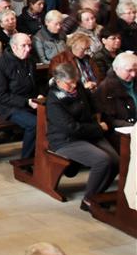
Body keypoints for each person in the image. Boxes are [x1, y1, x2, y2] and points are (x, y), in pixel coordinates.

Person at [46, 63, 119, 211]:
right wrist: (98, 128)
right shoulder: (54, 100)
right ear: (58, 82)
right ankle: (88, 199)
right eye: (69, 83)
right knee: (102, 160)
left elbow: (93, 104)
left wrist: (98, 119)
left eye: (75, 81)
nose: (73, 86)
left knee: (116, 161)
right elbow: (71, 129)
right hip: (66, 140)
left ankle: (98, 195)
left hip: (89, 133)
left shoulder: (78, 87)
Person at [0, 33, 40, 158]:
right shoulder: (0, 64)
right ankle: (26, 160)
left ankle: (47, 155)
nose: (28, 49)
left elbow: (36, 84)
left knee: (57, 117)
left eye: (29, 45)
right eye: (24, 46)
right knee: (35, 125)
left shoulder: (31, 60)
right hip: (10, 107)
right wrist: (26, 102)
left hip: (31, 102)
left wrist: (40, 95)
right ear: (14, 47)